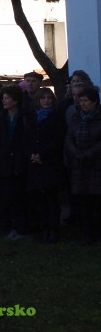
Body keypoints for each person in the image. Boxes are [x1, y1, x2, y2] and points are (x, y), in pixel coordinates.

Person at [0, 85, 33, 240]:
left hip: (20, 162)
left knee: (21, 197)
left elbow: (28, 139)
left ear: (15, 100)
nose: (4, 101)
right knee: (8, 197)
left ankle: (23, 228)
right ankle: (12, 226)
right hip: (4, 163)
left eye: (7, 98)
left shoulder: (26, 116)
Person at [26, 87, 65, 243]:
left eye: (49, 98)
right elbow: (27, 139)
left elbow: (57, 140)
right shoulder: (32, 118)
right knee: (39, 199)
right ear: (38, 100)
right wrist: (32, 155)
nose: (46, 101)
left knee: (52, 199)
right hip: (35, 163)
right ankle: (44, 229)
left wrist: (42, 155)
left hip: (50, 163)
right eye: (43, 98)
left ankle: (53, 230)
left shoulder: (57, 118)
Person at [65, 87, 101, 244]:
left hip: (96, 165)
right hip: (79, 165)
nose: (82, 104)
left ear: (94, 102)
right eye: (80, 101)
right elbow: (69, 138)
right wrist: (76, 153)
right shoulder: (76, 118)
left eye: (85, 101)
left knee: (97, 202)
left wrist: (87, 154)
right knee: (83, 202)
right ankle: (86, 233)